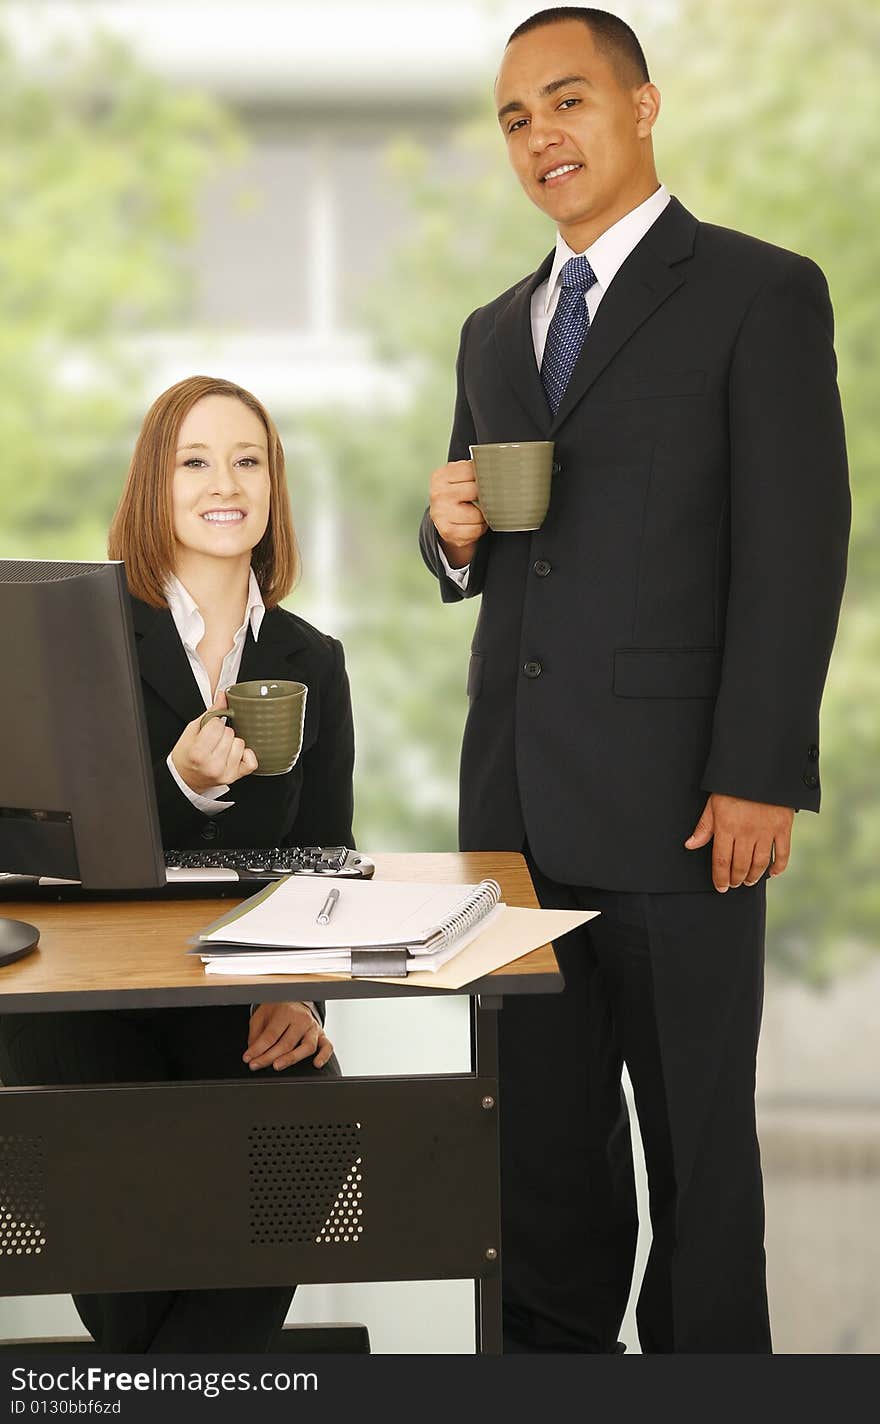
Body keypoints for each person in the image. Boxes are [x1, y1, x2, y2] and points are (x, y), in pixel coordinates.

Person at [419, 8, 850, 1354]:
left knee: (701, 1175)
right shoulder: (496, 331)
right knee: (538, 1172)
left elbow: (796, 544)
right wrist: (443, 537)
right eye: (514, 118)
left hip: (683, 815)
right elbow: (489, 553)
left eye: (568, 102)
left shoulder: (756, 291)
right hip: (517, 824)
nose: (540, 136)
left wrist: (760, 772)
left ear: (642, 107)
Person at [0, 374, 356, 1351]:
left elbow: (328, 857)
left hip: (238, 999)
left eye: (248, 459)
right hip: (85, 997)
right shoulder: (83, 632)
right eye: (194, 460)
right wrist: (181, 784)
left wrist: (304, 997)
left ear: (274, 486)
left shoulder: (310, 656)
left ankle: (155, 1383)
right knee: (113, 1213)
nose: (224, 481)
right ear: (154, 486)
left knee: (312, 1134)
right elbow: (37, 841)